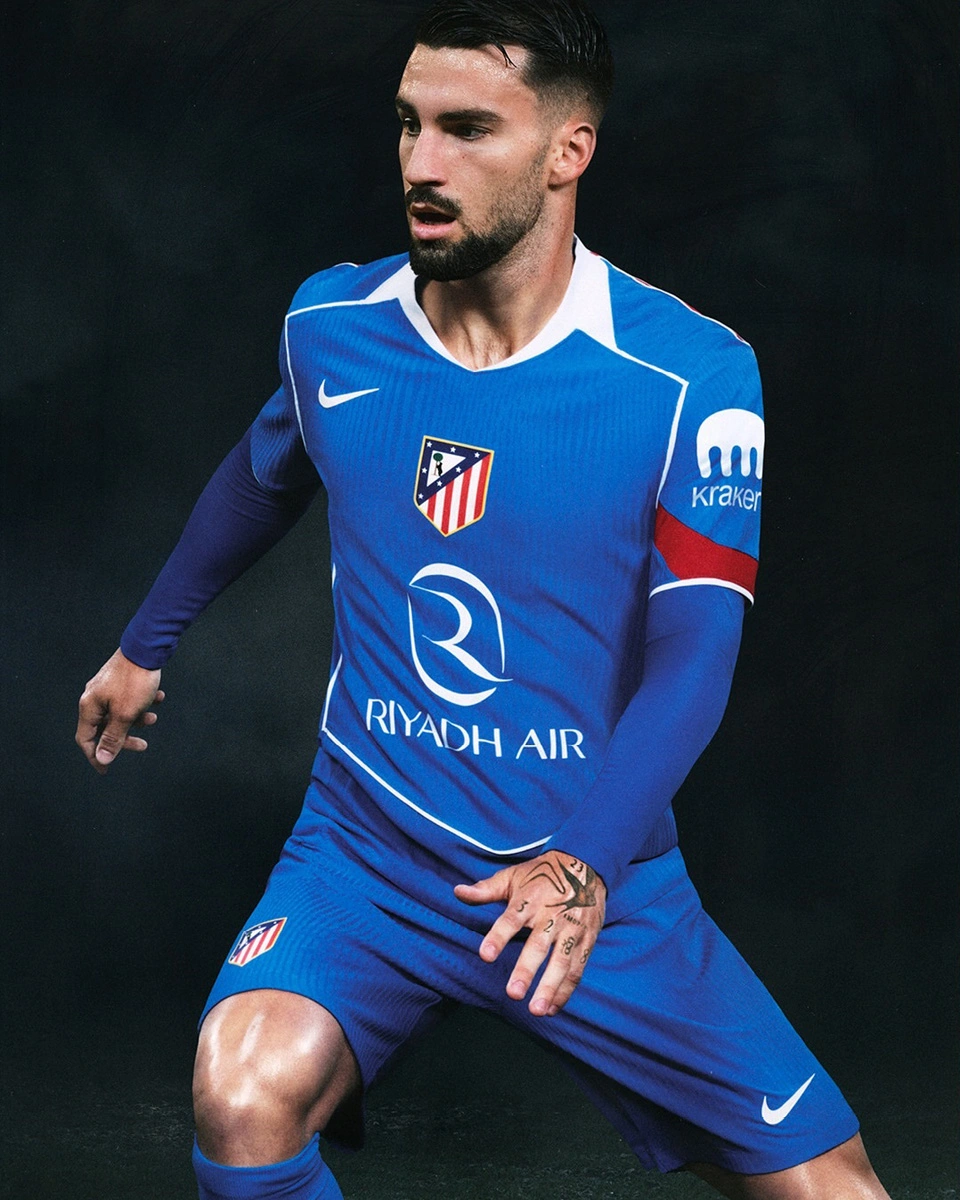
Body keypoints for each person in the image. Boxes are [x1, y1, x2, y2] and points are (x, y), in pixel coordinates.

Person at [76, 2, 891, 1196]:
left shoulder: (688, 376)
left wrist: (582, 866)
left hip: (590, 872)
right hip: (366, 852)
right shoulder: (333, 327)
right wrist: (143, 646)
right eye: (409, 125)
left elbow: (696, 652)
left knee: (838, 1192)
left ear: (568, 151)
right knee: (240, 1094)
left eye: (467, 130)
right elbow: (262, 476)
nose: (422, 162)